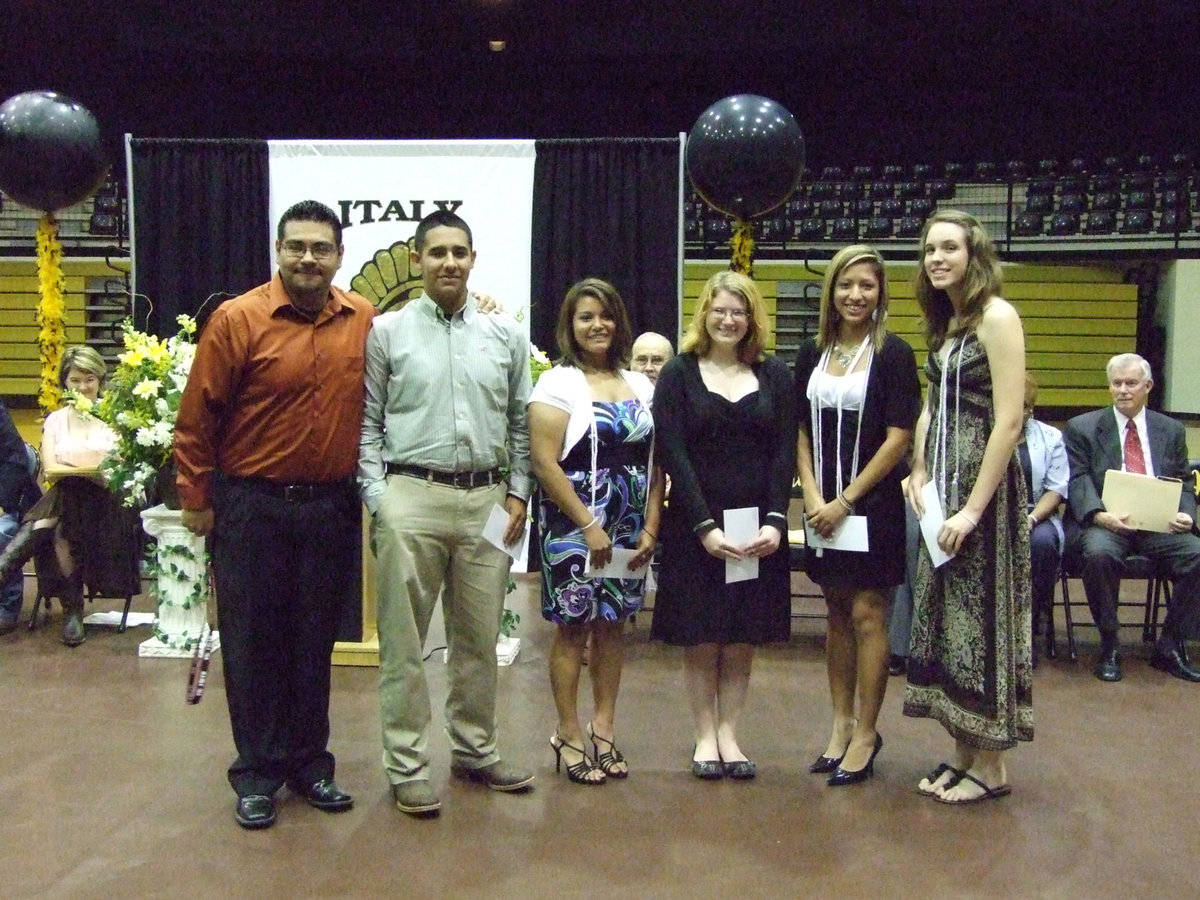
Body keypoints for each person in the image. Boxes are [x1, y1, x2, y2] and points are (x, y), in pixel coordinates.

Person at [175, 199, 367, 830]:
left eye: (321, 247)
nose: (308, 258)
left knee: (314, 643)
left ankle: (311, 765)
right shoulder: (238, 319)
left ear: (339, 256)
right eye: (297, 246)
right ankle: (257, 773)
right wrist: (196, 503)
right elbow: (197, 418)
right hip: (251, 509)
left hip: (329, 510)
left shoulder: (363, 319)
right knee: (255, 645)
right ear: (279, 251)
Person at [359, 209, 535, 817]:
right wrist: (381, 499)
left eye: (459, 252)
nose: (449, 263)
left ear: (473, 259)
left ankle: (475, 749)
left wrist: (517, 492)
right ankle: (407, 765)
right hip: (411, 496)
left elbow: (520, 422)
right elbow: (368, 424)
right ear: (417, 259)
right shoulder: (386, 332)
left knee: (479, 639)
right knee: (405, 644)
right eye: (437, 253)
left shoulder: (506, 335)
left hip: (489, 502)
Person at [904, 209, 1032, 804]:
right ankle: (962, 751)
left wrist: (974, 511)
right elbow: (932, 406)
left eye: (949, 248)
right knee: (950, 622)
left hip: (985, 493)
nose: (937, 258)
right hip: (944, 491)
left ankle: (993, 766)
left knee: (984, 621)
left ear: (973, 254)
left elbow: (1009, 421)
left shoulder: (997, 317)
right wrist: (920, 470)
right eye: (930, 249)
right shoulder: (949, 323)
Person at [650, 270, 796, 780]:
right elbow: (672, 452)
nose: (729, 319)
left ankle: (730, 734)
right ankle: (704, 735)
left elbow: (784, 452)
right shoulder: (678, 374)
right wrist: (703, 527)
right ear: (704, 315)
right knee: (702, 634)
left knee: (740, 636)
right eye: (720, 310)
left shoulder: (775, 374)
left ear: (752, 317)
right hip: (697, 528)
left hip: (756, 528)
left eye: (739, 311)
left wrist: (777, 520)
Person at [794, 245, 920, 786]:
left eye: (867, 285)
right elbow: (798, 429)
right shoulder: (812, 352)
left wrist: (847, 499)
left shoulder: (894, 353)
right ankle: (840, 725)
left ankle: (867, 732)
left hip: (873, 506)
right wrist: (817, 496)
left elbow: (900, 437)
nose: (855, 295)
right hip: (822, 507)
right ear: (831, 291)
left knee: (870, 613)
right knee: (836, 613)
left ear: (880, 292)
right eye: (846, 285)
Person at [529, 278, 662, 785]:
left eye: (604, 315)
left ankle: (603, 728)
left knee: (613, 627)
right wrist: (588, 525)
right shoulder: (556, 384)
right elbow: (544, 462)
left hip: (629, 523)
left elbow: (657, 462)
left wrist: (651, 522)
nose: (596, 325)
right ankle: (567, 732)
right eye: (585, 316)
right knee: (572, 628)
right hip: (574, 522)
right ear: (571, 325)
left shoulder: (644, 385)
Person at [1062, 353, 1200, 683]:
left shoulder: (1171, 429)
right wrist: (1099, 515)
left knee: (1198, 555)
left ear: (1148, 386)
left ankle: (1169, 644)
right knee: (1098, 555)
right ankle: (1109, 642)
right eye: (1116, 383)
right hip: (1107, 521)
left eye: (1131, 383)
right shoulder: (1082, 427)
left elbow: (1183, 480)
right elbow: (1078, 478)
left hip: (1158, 524)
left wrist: (1185, 513)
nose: (1123, 390)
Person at [0, 347, 141, 646]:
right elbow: (51, 469)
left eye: (89, 379)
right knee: (65, 513)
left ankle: (8, 568)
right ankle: (73, 613)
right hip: (71, 503)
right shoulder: (55, 420)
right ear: (65, 382)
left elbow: (114, 472)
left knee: (61, 504)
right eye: (75, 380)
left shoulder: (118, 417)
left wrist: (78, 469)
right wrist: (88, 469)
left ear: (100, 380)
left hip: (110, 504)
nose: (82, 387)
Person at [1018, 373, 1069, 665]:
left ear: (1031, 408)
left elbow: (1056, 489)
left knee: (1042, 544)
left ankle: (1029, 626)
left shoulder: (1051, 437)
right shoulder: (984, 432)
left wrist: (1032, 519)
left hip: (1035, 513)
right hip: (986, 514)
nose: (1018, 411)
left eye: (1024, 406)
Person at [0, 399, 35, 635]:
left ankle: (6, 609)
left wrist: (2, 502)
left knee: (2, 532)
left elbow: (16, 460)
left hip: (5, 500)